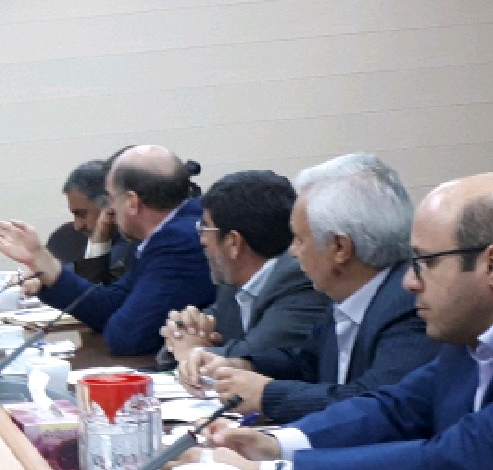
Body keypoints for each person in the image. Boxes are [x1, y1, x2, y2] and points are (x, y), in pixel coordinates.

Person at [202, 172, 493, 470]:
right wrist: (273, 445)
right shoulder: (468, 339)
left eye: (426, 263)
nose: (409, 282)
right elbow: (396, 409)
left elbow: (456, 466)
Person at [182, 154, 439, 421]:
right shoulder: (349, 294)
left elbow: (376, 404)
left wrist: (267, 394)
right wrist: (243, 364)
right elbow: (307, 364)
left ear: (340, 248)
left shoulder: (407, 304)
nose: (293, 252)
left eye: (299, 240)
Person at [0, 145, 215, 355]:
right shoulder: (166, 232)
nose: (109, 209)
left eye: (112, 198)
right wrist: (44, 264)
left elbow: (126, 336)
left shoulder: (179, 241)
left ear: (131, 202)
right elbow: (110, 304)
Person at [163, 170, 327, 365]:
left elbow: (258, 356)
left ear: (233, 242)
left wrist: (192, 351)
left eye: (205, 228)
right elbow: (197, 333)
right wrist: (182, 329)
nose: (202, 239)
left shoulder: (299, 279)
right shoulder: (232, 281)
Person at [46, 157, 131, 285]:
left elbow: (96, 292)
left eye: (81, 214)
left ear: (109, 205)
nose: (77, 226)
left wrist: (99, 241)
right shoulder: (63, 237)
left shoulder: (133, 247)